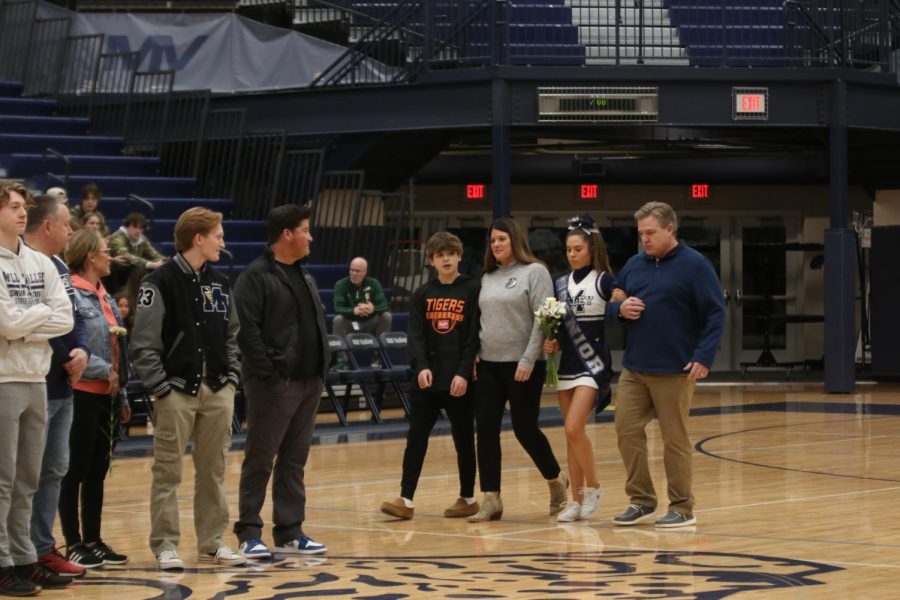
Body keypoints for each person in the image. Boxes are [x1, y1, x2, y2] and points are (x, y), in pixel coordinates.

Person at [131, 207, 245, 570]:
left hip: (218, 390)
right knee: (168, 471)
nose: (222, 242)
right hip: (176, 391)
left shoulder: (221, 282)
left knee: (213, 469)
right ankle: (166, 545)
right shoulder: (159, 282)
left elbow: (233, 335)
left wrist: (231, 379)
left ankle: (212, 542)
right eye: (218, 235)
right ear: (199, 238)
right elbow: (144, 343)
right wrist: (161, 387)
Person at [608, 201, 725, 528]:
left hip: (676, 369)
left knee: (675, 438)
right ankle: (641, 500)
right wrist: (620, 308)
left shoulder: (695, 266)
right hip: (635, 367)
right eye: (641, 233)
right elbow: (616, 298)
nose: (644, 239)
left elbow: (716, 313)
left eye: (650, 232)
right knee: (626, 430)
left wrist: (703, 356)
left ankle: (682, 507)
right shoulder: (634, 263)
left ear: (670, 229)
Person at [232, 204, 330, 559]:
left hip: (308, 382)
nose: (311, 236)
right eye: (305, 229)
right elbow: (246, 331)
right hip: (274, 384)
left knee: (294, 460)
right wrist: (270, 375)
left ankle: (290, 531)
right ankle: (248, 532)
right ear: (287, 234)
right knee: (261, 458)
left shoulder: (305, 275)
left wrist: (322, 368)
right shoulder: (255, 276)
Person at [0, 182, 74, 595]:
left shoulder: (41, 263)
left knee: (29, 476)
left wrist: (26, 322)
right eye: (12, 206)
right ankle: (1, 561)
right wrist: (34, 320)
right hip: (3, 378)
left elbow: (64, 319)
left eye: (23, 206)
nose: (21, 212)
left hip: (35, 377)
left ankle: (25, 558)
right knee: (3, 479)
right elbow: (6, 324)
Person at [468, 217, 567, 522]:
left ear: (515, 240)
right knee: (485, 430)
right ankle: (491, 498)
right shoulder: (487, 276)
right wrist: (473, 353)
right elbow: (479, 320)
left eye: (501, 239)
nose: (496, 244)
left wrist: (527, 359)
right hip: (488, 365)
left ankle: (556, 481)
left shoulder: (535, 271)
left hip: (523, 365)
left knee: (525, 429)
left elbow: (543, 319)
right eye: (492, 240)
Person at [380, 232, 481, 521]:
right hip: (427, 379)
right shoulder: (422, 294)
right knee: (416, 438)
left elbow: (474, 336)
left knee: (463, 439)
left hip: (459, 380)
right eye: (440, 255)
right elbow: (416, 336)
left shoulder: (472, 289)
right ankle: (406, 499)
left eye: (450, 253)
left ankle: (467, 497)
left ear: (459, 255)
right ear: (431, 261)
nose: (446, 258)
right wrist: (420, 365)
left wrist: (463, 373)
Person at [23, 196, 90, 579]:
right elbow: (40, 321)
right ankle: (22, 551)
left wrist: (80, 349)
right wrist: (68, 354)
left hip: (65, 384)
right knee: (26, 475)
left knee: (54, 470)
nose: (71, 232)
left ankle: (43, 547)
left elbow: (73, 315)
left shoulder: (60, 266)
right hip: (39, 379)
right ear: (48, 226)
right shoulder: (27, 264)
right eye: (66, 224)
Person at [59, 230, 131, 569]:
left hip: (108, 395)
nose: (110, 255)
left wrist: (124, 390)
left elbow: (118, 349)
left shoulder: (105, 295)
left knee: (97, 470)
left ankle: (94, 539)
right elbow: (75, 342)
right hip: (82, 394)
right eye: (105, 250)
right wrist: (104, 370)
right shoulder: (71, 291)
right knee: (74, 469)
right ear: (89, 256)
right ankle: (72, 542)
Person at [543, 214, 616, 523]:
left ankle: (595, 487)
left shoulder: (605, 279)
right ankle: (575, 501)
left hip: (593, 365)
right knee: (571, 435)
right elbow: (558, 328)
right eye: (568, 249)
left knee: (574, 427)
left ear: (591, 248)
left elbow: (620, 305)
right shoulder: (560, 284)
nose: (572, 254)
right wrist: (552, 341)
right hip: (566, 366)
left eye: (577, 249)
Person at [331, 257, 392, 337]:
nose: (354, 274)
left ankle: (380, 348)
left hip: (369, 323)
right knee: (338, 319)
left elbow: (384, 305)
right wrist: (354, 310)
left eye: (357, 271)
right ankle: (340, 349)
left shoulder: (373, 283)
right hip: (350, 322)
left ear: (365, 272)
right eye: (352, 270)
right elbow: (338, 308)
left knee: (386, 316)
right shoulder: (341, 284)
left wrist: (372, 309)